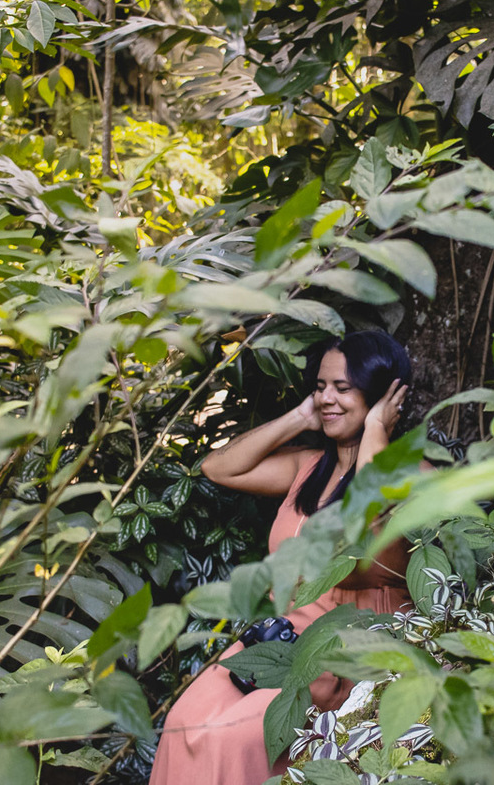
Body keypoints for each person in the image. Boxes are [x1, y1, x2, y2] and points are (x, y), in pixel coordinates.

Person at [149, 330, 415, 785]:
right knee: (184, 722)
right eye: (320, 386)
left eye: (343, 388)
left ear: (383, 395)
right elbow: (219, 467)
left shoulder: (409, 473)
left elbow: (371, 551)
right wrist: (301, 415)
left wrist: (375, 431)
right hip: (282, 630)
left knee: (228, 740)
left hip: (348, 637)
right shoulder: (309, 467)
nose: (327, 397)